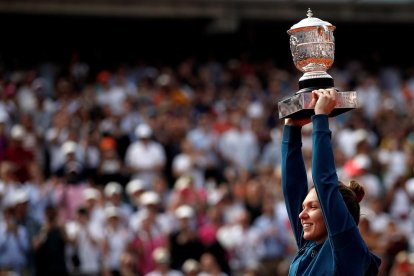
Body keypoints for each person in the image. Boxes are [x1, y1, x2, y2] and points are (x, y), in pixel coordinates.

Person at [281, 88, 381, 275]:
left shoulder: (347, 247)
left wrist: (320, 118)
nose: (301, 215)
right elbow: (292, 188)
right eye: (305, 207)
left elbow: (325, 181)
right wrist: (291, 128)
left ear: (334, 210)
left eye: (312, 207)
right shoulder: (310, 247)